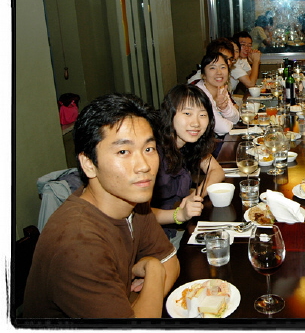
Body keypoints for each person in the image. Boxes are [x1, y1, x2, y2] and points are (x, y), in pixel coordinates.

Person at [23, 93, 179, 318]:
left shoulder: (132, 201)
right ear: (88, 164)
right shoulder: (77, 242)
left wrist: (141, 305)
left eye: (149, 149)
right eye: (123, 152)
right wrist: (154, 270)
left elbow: (170, 261)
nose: (144, 166)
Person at [151, 84, 225, 249]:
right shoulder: (153, 152)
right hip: (153, 240)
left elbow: (216, 171)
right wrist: (179, 215)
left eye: (202, 115)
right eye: (187, 113)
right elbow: (136, 215)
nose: (196, 123)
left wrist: (197, 195)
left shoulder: (189, 143)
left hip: (176, 230)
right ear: (170, 115)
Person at [188, 52, 240, 136]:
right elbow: (223, 128)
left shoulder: (221, 89)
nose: (219, 72)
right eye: (212, 68)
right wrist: (228, 121)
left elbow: (236, 119)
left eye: (223, 67)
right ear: (203, 75)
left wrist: (224, 108)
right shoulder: (198, 94)